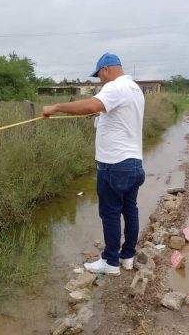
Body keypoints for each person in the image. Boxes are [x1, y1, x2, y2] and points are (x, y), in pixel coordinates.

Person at [42, 53, 145, 276]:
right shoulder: (135, 89)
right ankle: (127, 256)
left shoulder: (114, 87)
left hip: (114, 164)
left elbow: (91, 104)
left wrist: (57, 106)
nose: (100, 80)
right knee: (130, 210)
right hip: (134, 163)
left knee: (110, 213)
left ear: (106, 69)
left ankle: (110, 262)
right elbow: (111, 114)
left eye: (99, 75)